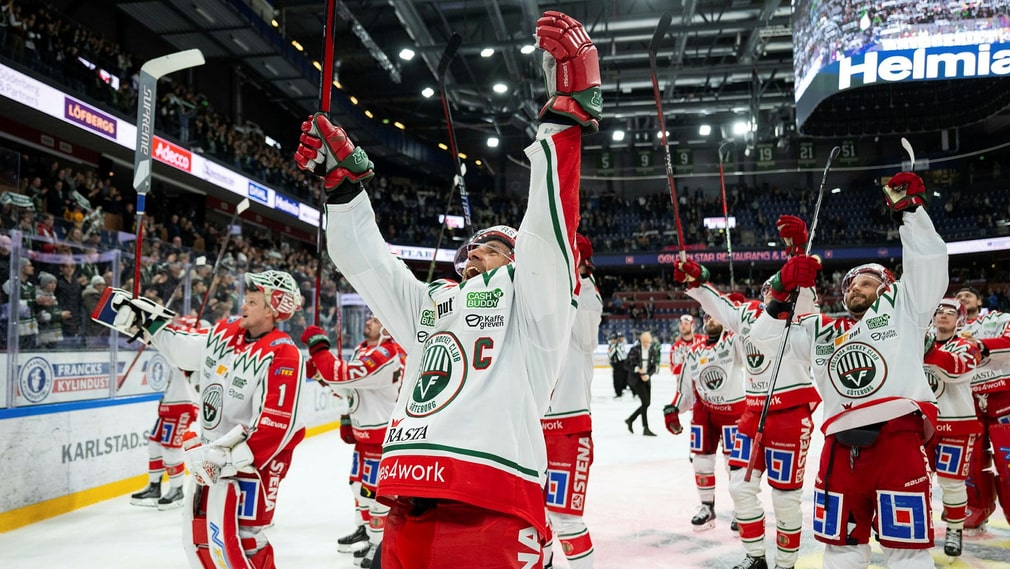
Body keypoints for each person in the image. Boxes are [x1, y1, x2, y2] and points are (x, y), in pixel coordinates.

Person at [293, 10, 599, 567]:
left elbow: (546, 232)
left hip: (491, 504)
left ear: (516, 260)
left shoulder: (533, 302)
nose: (474, 253)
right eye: (472, 247)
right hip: (407, 500)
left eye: (492, 247)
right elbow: (369, 265)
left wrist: (564, 119)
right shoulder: (437, 303)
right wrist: (343, 189)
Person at [749, 171, 945, 568]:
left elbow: (929, 263)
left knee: (907, 552)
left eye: (868, 282)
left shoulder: (905, 309)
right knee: (841, 550)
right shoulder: (823, 330)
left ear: (887, 288)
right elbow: (763, 340)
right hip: (839, 446)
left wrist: (911, 213)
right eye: (852, 285)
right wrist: (781, 289)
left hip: (897, 440)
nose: (856, 287)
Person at [101, 269, 307, 569]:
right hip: (211, 457)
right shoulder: (226, 332)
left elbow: (277, 423)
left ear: (272, 310)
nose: (243, 306)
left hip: (255, 462)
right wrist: (148, 325)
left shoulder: (284, 352)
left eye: (252, 302)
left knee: (245, 538)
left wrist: (225, 457)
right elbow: (183, 350)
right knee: (203, 536)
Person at [672, 215, 819, 569]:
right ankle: (756, 557)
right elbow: (720, 306)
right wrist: (697, 282)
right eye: (768, 288)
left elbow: (801, 285)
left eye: (777, 287)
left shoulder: (802, 312)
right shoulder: (750, 315)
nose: (771, 291)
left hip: (789, 414)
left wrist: (797, 252)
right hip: (752, 415)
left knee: (785, 497)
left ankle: (785, 564)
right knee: (740, 486)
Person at [300, 312, 406, 568]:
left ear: (388, 327)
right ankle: (366, 530)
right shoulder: (363, 350)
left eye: (376, 320)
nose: (368, 321)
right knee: (357, 487)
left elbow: (345, 375)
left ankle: (379, 545)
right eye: (369, 317)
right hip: (363, 435)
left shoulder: (386, 354)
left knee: (374, 495)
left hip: (381, 438)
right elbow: (347, 388)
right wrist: (323, 377)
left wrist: (320, 350)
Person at [542, 233, 603, 568]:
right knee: (535, 516)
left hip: (568, 428)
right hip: (533, 427)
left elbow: (588, 336)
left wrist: (575, 278)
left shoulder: (587, 295)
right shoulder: (543, 298)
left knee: (565, 518)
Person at [666, 312, 745, 531]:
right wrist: (674, 408)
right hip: (704, 412)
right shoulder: (693, 352)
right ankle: (707, 507)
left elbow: (749, 343)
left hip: (733, 412)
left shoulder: (733, 342)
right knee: (701, 462)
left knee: (735, 464)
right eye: (708, 317)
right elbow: (684, 389)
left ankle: (742, 510)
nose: (711, 320)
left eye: (716, 316)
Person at [923, 298, 983, 557]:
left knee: (952, 483)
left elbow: (954, 371)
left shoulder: (968, 346)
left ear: (960, 320)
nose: (943, 315)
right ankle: (920, 528)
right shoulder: (921, 344)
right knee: (915, 481)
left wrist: (924, 350)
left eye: (950, 312)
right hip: (921, 426)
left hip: (957, 424)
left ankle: (954, 530)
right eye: (939, 311)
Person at [129, 316, 201, 511]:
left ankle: (177, 490)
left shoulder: (191, 352)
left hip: (183, 405)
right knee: (154, 444)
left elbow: (184, 362)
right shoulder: (175, 347)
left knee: (171, 448)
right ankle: (154, 487)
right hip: (169, 404)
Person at [955, 285, 1010, 533]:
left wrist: (978, 344)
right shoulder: (945, 327)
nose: (962, 298)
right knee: (972, 462)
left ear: (979, 301)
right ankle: (977, 510)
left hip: (1003, 399)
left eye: (968, 295)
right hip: (967, 403)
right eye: (958, 296)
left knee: (1007, 460)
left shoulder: (998, 319)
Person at [624, 330, 660, 436]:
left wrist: (648, 375)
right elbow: (626, 364)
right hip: (636, 379)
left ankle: (630, 419)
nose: (645, 344)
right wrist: (636, 369)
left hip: (646, 379)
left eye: (647, 342)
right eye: (644, 342)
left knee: (646, 403)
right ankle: (645, 428)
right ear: (640, 340)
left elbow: (654, 366)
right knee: (645, 402)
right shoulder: (634, 350)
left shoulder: (652, 351)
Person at [668, 314, 703, 409]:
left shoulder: (702, 340)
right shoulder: (676, 347)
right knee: (671, 412)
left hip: (703, 387)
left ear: (692, 326)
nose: (683, 326)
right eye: (681, 324)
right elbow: (673, 369)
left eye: (686, 323)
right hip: (684, 389)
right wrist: (688, 364)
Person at [607, 332, 629, 398]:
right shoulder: (618, 345)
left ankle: (619, 392)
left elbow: (611, 355)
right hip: (619, 364)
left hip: (619, 364)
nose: (611, 341)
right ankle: (620, 391)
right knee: (620, 378)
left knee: (618, 379)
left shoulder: (616, 346)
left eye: (613, 339)